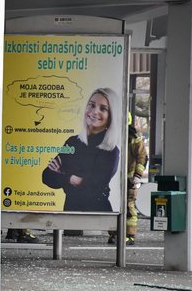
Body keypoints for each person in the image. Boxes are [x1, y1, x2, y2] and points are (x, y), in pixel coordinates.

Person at [42, 88, 121, 212]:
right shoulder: (73, 142)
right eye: (92, 105)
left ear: (111, 116)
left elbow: (93, 189)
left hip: (98, 217)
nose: (94, 112)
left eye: (103, 108)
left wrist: (63, 174)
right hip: (70, 214)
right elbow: (47, 176)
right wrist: (71, 179)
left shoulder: (111, 151)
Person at [108, 111, 148, 245]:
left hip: (129, 179)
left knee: (129, 207)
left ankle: (129, 235)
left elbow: (142, 157)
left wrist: (137, 176)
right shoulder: (110, 135)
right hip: (113, 179)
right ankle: (114, 234)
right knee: (113, 206)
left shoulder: (134, 138)